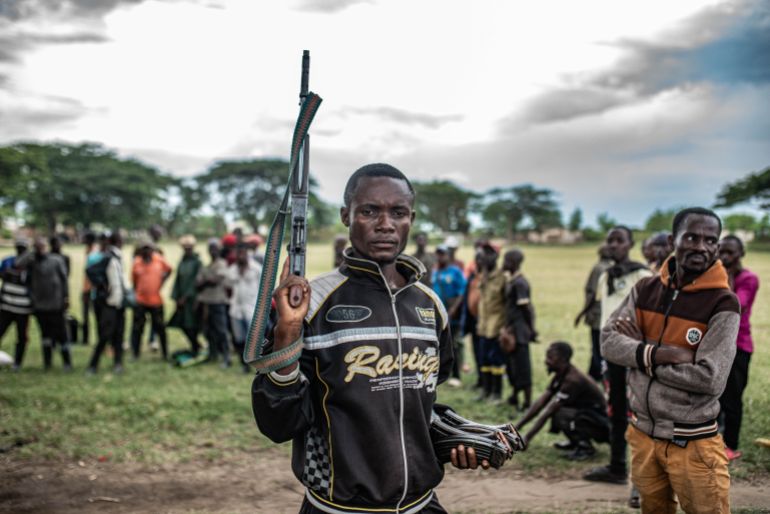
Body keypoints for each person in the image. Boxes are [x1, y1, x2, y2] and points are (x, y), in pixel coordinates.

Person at [252, 163, 487, 514]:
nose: (385, 224)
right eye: (369, 211)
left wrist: (453, 442)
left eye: (398, 212)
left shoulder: (430, 305)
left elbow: (418, 403)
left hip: (420, 505)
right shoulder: (312, 304)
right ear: (346, 216)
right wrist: (286, 332)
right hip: (338, 508)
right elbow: (278, 423)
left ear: (412, 217)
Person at [601, 207, 739, 513]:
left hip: (693, 443)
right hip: (643, 435)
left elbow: (709, 378)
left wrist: (638, 352)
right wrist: (658, 353)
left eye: (710, 240)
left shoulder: (723, 302)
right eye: (691, 237)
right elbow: (608, 342)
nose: (701, 246)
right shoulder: (645, 289)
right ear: (672, 239)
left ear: (717, 246)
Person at [583, 226, 652, 495]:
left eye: (619, 240)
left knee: (638, 413)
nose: (613, 245)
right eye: (610, 240)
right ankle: (616, 466)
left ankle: (642, 479)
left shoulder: (643, 275)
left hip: (633, 355)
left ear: (630, 244)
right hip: (609, 356)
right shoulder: (605, 275)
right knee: (616, 410)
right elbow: (604, 315)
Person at [515, 342, 609, 461]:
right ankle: (575, 442)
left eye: (550, 358)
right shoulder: (562, 373)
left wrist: (527, 438)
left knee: (560, 413)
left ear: (563, 359)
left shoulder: (572, 380)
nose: (546, 361)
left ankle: (585, 447)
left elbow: (549, 410)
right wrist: (515, 428)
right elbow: (540, 402)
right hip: (588, 416)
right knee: (560, 412)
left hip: (601, 424)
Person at [718, 234, 759, 461]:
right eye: (721, 251)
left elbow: (735, 304)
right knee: (712, 397)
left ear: (741, 254)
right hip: (715, 346)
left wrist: (726, 277)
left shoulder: (748, 278)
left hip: (739, 346)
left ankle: (730, 446)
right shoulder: (713, 276)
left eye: (730, 252)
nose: (724, 256)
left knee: (732, 399)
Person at [16, 237, 71, 370]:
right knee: (45, 335)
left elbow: (64, 280)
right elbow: (18, 264)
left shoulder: (56, 260)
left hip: (56, 304)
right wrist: (31, 252)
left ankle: (67, 362)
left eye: (42, 246)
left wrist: (66, 298)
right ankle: (47, 362)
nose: (41, 248)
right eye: (38, 246)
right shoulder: (33, 261)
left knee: (62, 335)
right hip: (40, 306)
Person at [86, 231, 127, 374]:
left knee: (119, 335)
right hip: (109, 303)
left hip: (119, 303)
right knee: (105, 335)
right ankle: (93, 365)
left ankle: (118, 363)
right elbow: (90, 270)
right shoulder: (109, 257)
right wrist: (102, 285)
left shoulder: (118, 257)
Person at [501, 249, 535, 411]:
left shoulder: (520, 283)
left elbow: (526, 308)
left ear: (513, 263)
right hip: (512, 329)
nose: (503, 263)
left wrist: (531, 329)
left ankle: (527, 402)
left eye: (506, 261)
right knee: (512, 366)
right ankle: (515, 396)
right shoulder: (512, 281)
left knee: (523, 367)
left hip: (520, 331)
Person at [574, 245, 613, 381]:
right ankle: (593, 375)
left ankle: (602, 377)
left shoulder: (598, 268)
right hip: (609, 315)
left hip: (597, 315)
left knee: (597, 348)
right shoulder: (614, 267)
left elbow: (592, 293)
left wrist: (582, 313)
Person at [476, 242, 507, 403]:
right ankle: (485, 391)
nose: (485, 257)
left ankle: (497, 393)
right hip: (483, 326)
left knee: (496, 361)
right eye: (484, 253)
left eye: (489, 253)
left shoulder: (503, 277)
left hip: (497, 326)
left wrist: (505, 327)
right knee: (484, 360)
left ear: (496, 256)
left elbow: (507, 303)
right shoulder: (483, 275)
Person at [130, 239, 172, 360]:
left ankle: (165, 353)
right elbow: (134, 281)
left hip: (156, 301)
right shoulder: (137, 263)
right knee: (137, 328)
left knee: (160, 328)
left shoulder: (159, 259)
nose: (147, 252)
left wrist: (162, 281)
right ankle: (135, 353)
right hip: (140, 301)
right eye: (144, 249)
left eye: (149, 249)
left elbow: (169, 270)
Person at [432, 244, 467, 387]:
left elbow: (461, 292)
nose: (441, 257)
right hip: (437, 313)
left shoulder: (455, 271)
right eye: (438, 254)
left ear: (448, 255)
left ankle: (456, 375)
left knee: (452, 344)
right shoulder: (435, 271)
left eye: (443, 254)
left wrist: (453, 309)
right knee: (439, 343)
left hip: (452, 314)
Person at [226, 243, 262, 373]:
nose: (240, 256)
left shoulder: (256, 269)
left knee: (252, 339)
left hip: (251, 309)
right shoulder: (232, 269)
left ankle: (256, 363)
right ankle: (244, 364)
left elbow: (263, 288)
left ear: (247, 253)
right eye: (238, 253)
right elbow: (228, 284)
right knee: (239, 339)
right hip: (236, 310)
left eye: (242, 253)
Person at [196, 239, 231, 367]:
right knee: (208, 330)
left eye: (215, 248)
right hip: (206, 302)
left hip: (218, 302)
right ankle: (212, 354)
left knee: (221, 330)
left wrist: (205, 281)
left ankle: (227, 357)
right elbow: (197, 284)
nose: (212, 251)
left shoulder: (222, 264)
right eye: (211, 248)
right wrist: (207, 281)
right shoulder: (206, 266)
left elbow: (216, 280)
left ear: (219, 249)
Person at [0, 238, 32, 370]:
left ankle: (17, 363)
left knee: (22, 336)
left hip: (23, 307)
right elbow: (3, 274)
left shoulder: (31, 264)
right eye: (19, 247)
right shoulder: (8, 261)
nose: (20, 250)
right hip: (6, 304)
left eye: (23, 248)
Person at [170, 235, 203, 355]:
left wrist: (186, 296)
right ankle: (195, 344)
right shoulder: (182, 262)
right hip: (181, 298)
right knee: (181, 323)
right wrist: (176, 297)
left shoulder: (197, 262)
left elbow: (196, 281)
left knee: (192, 324)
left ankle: (196, 346)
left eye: (189, 248)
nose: (187, 250)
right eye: (185, 248)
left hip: (192, 299)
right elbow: (177, 280)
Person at [80, 232, 99, 345]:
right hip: (86, 287)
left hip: (92, 288)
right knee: (85, 315)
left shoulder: (94, 252)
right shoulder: (87, 250)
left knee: (96, 314)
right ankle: (85, 339)